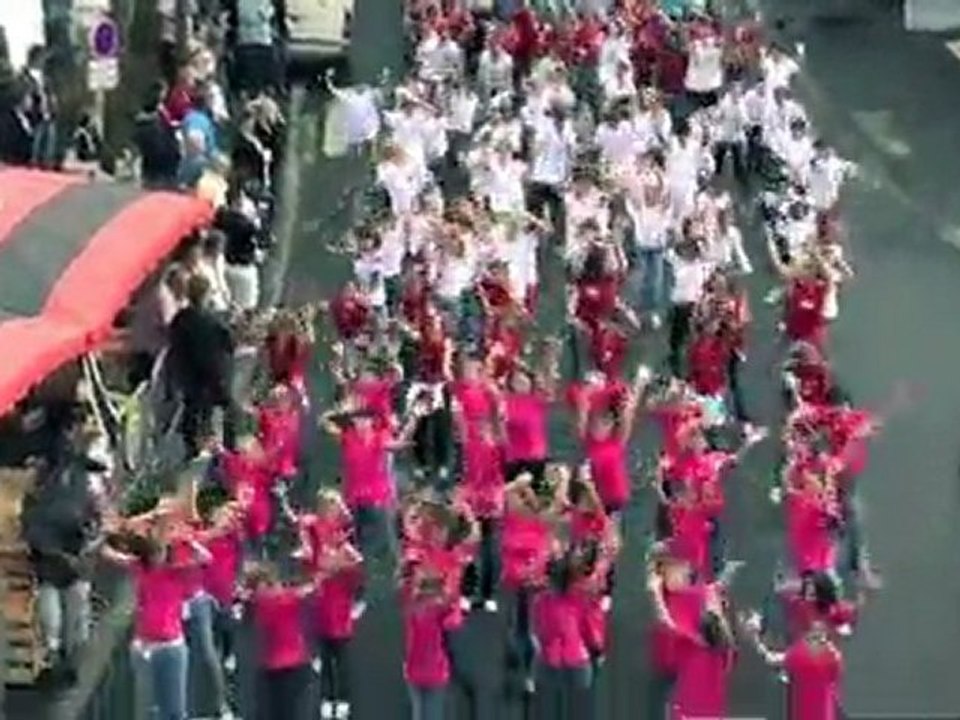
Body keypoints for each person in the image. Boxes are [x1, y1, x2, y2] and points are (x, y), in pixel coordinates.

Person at [21, 411, 104, 684]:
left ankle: (64, 657)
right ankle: (56, 656)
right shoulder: (52, 473)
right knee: (59, 608)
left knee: (72, 608)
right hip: (54, 551)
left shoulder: (77, 473)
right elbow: (33, 519)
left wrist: (91, 534)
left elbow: (94, 514)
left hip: (70, 550)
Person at [169, 273, 238, 456]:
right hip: (212, 372)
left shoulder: (180, 319)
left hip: (189, 373)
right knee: (227, 407)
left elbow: (175, 343)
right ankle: (229, 447)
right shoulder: (212, 321)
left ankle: (192, 447)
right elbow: (229, 342)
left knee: (193, 408)